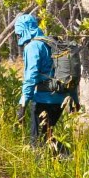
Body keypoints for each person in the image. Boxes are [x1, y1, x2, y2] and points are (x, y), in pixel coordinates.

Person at [14, 12, 68, 147]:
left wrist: (23, 103)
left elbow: (31, 76)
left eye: (19, 32)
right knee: (46, 136)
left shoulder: (32, 46)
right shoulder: (48, 42)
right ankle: (67, 159)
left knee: (36, 141)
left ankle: (66, 157)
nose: (18, 36)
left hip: (44, 99)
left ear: (24, 29)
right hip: (60, 97)